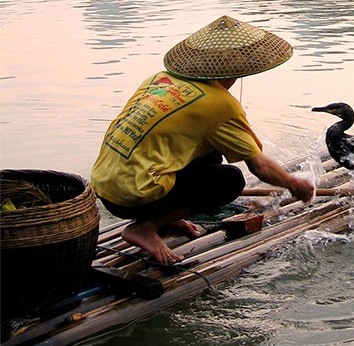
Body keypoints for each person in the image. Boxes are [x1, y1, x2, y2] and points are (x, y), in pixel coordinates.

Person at [91, 15, 315, 264]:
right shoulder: (220, 104)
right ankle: (145, 227)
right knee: (230, 180)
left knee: (211, 155)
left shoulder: (160, 79)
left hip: (105, 186)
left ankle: (168, 216)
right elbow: (259, 165)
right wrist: (295, 185)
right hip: (133, 197)